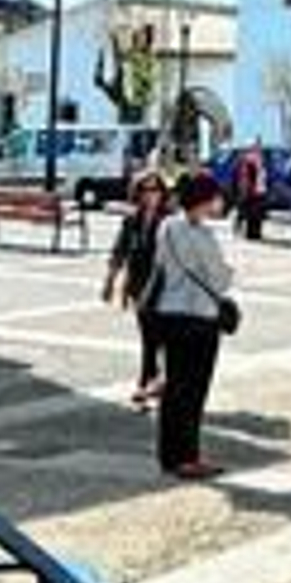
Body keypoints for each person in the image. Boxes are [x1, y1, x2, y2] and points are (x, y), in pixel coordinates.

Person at [154, 171, 236, 479]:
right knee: (193, 391)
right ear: (204, 200)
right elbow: (219, 278)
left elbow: (162, 265)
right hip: (198, 317)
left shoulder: (167, 226)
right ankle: (188, 456)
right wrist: (230, 272)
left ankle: (168, 455)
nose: (219, 201)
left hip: (169, 312)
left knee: (174, 389)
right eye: (215, 196)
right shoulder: (202, 235)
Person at [102, 170, 171, 410]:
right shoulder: (132, 220)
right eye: (146, 190)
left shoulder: (169, 222)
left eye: (156, 189)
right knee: (150, 338)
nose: (152, 195)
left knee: (157, 339)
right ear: (138, 194)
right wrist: (109, 281)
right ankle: (154, 383)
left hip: (164, 289)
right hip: (138, 287)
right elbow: (119, 250)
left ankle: (146, 385)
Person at [234, 138, 268, 242]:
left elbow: (263, 174)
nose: (258, 148)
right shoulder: (247, 160)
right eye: (256, 147)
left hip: (260, 189)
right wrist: (245, 189)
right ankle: (249, 233)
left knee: (257, 213)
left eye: (259, 146)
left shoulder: (261, 159)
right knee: (249, 212)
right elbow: (244, 177)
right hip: (251, 190)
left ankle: (256, 233)